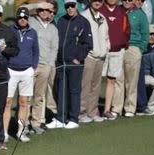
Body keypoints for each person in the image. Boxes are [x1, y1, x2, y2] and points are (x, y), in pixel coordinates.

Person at [46, 0, 92, 129]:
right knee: (61, 90)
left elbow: (88, 43)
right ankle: (61, 118)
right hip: (61, 62)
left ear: (76, 6)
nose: (70, 8)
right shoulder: (61, 20)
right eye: (67, 6)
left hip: (74, 63)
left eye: (72, 6)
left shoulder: (83, 22)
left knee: (74, 91)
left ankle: (74, 119)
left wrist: (78, 57)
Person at [4, 7, 39, 142]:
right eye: (20, 17)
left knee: (24, 102)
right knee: (7, 102)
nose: (22, 19)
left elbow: (36, 51)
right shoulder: (10, 30)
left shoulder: (33, 33)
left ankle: (20, 132)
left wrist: (33, 67)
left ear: (28, 19)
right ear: (17, 18)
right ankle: (5, 133)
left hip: (27, 71)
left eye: (25, 17)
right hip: (11, 70)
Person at [0, 3, 19, 150]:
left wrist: (5, 49)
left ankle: (0, 140)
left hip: (0, 76)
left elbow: (15, 50)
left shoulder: (7, 31)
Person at [112, 0, 149, 118]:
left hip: (133, 47)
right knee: (118, 79)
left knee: (132, 81)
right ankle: (116, 108)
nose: (127, 1)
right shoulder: (117, 10)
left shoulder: (140, 14)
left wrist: (140, 50)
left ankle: (130, 108)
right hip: (118, 47)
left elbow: (145, 34)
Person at [28, 1, 59, 133]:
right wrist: (38, 4)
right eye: (41, 10)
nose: (44, 12)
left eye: (47, 10)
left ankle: (36, 123)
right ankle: (23, 124)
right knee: (27, 96)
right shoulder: (31, 21)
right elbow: (21, 9)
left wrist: (49, 65)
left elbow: (54, 48)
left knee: (39, 96)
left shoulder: (53, 28)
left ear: (51, 13)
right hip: (31, 65)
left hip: (45, 66)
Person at [79, 0, 110, 124]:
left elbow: (106, 37)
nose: (98, 2)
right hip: (89, 56)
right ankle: (81, 113)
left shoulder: (102, 17)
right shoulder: (83, 16)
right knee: (85, 86)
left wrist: (106, 48)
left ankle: (92, 112)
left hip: (100, 57)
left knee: (96, 87)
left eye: (100, 1)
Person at [99, 0, 130, 120]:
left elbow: (127, 31)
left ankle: (107, 110)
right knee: (96, 80)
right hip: (102, 52)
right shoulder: (100, 10)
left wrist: (123, 44)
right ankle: (93, 109)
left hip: (117, 51)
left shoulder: (122, 12)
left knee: (111, 81)